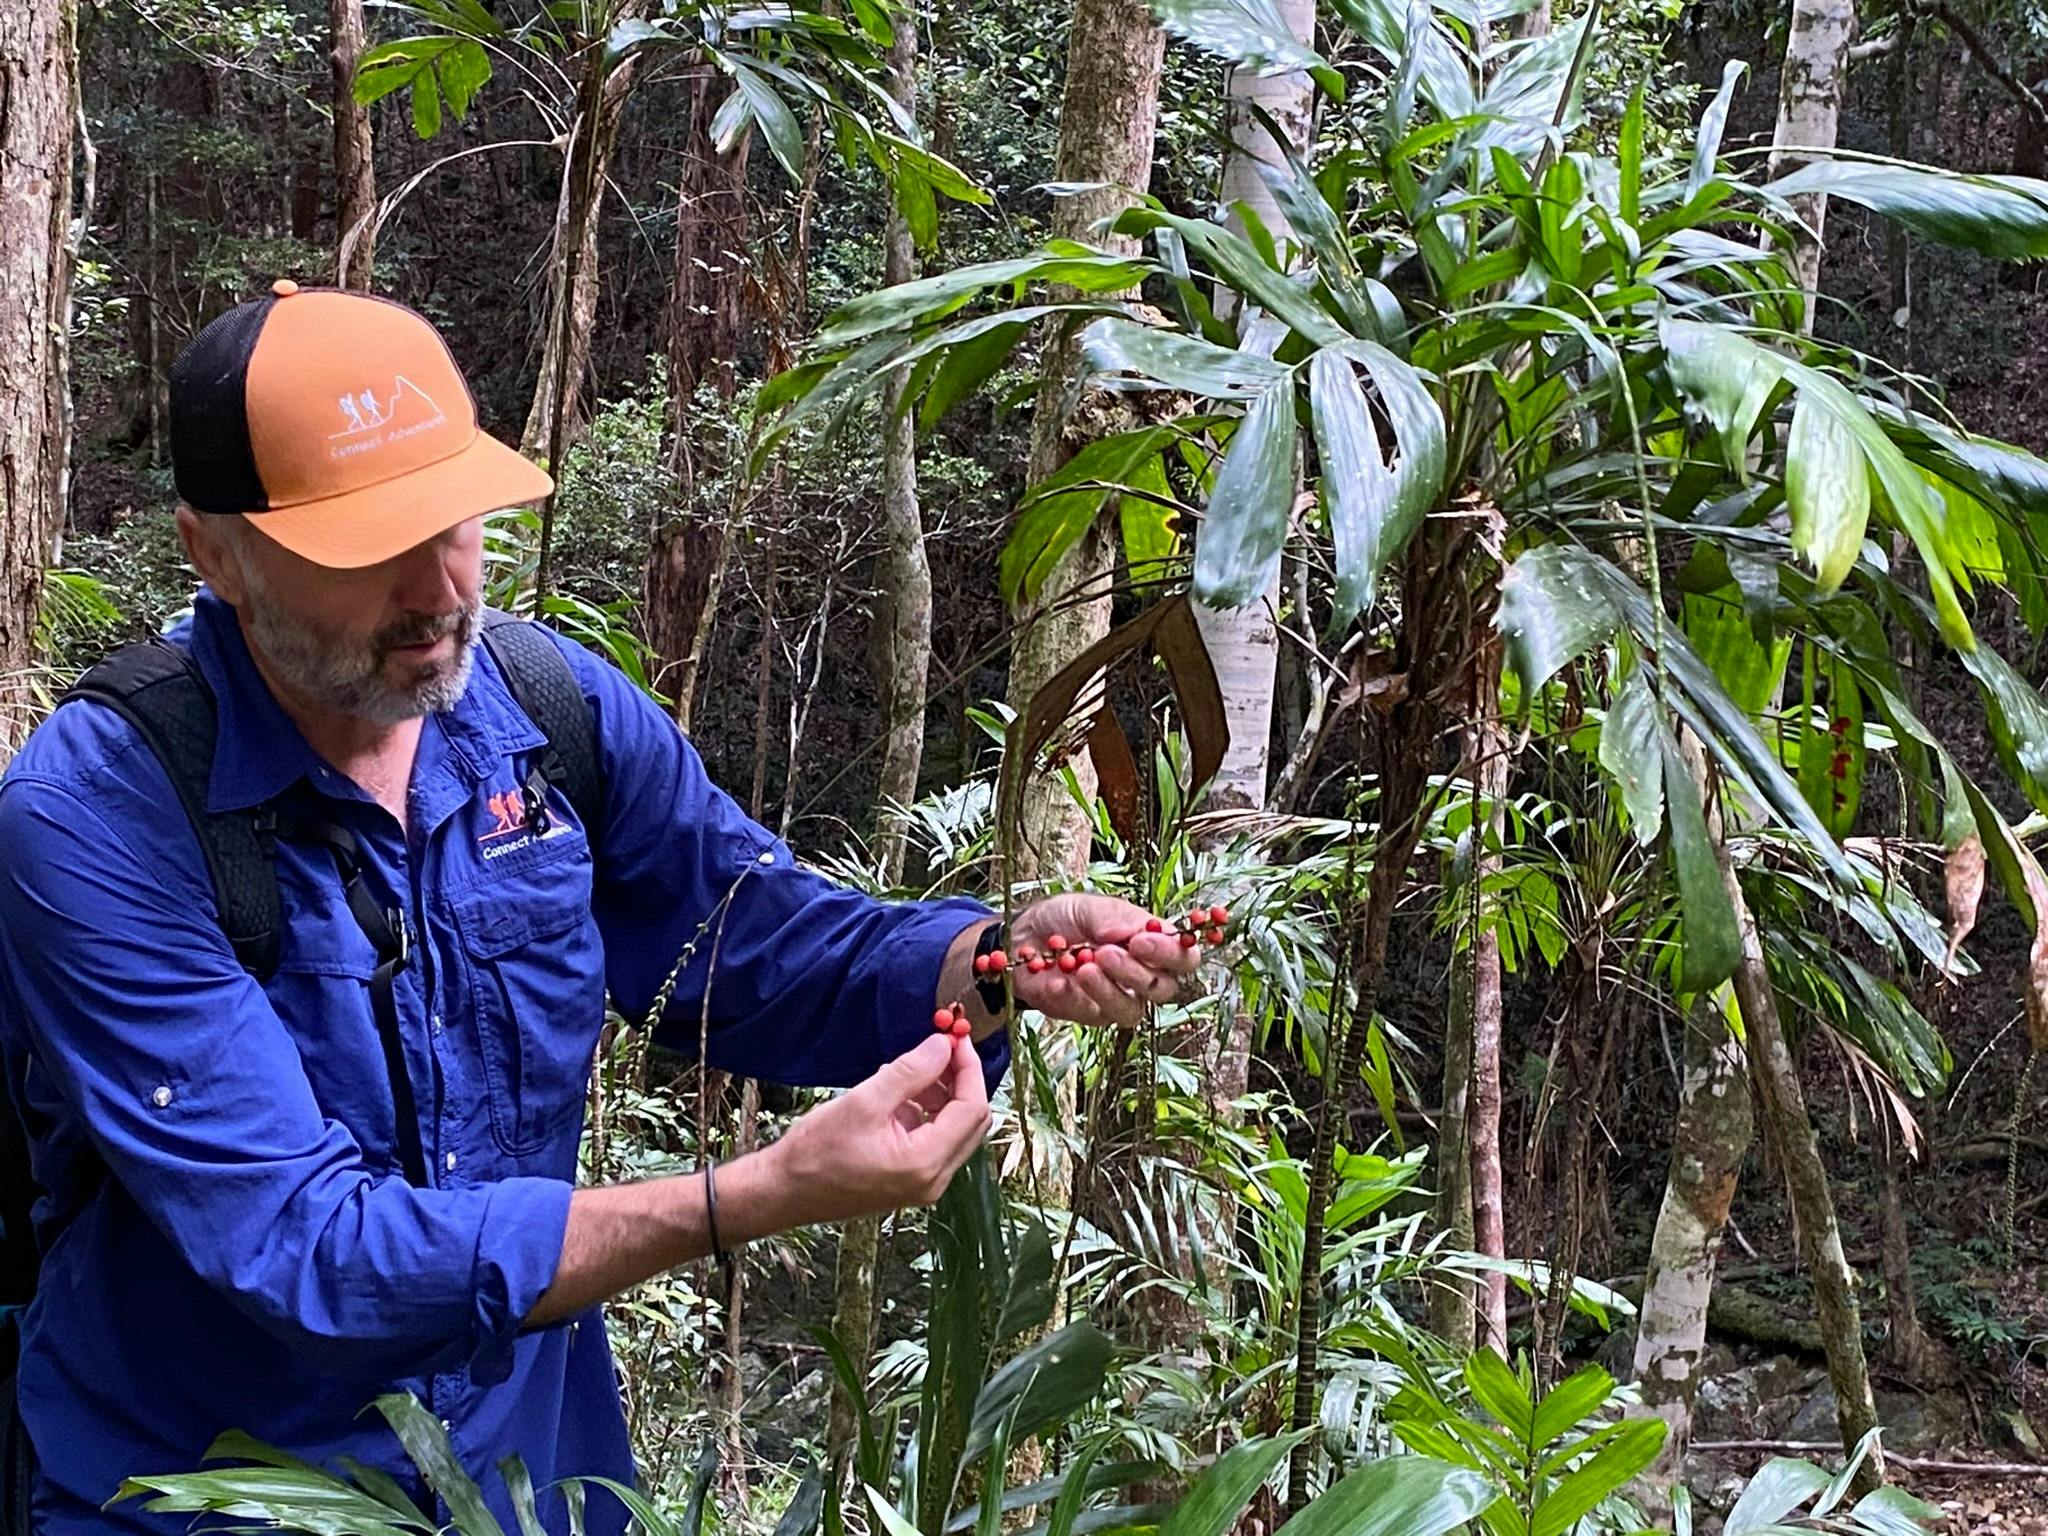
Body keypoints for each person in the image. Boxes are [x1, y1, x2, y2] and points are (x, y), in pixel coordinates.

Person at [0, 283, 1198, 1534]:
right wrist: (746, 1196)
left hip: (528, 1482)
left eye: (453, 520)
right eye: (366, 547)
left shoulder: (541, 713)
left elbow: (741, 935)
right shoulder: (95, 816)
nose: (436, 585)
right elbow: (307, 1249)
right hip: (210, 1500)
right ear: (218, 553)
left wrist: (988, 958)